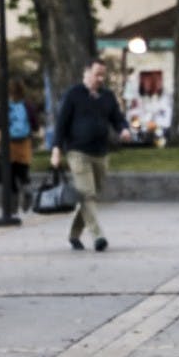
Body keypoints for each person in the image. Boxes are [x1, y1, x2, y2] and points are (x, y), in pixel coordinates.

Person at [51, 58, 131, 251]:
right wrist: (56, 150)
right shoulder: (73, 95)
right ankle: (98, 236)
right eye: (97, 74)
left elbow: (117, 118)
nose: (100, 78)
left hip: (100, 153)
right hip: (77, 152)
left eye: (103, 74)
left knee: (91, 196)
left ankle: (73, 234)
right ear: (86, 73)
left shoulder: (107, 96)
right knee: (87, 194)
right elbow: (61, 124)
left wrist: (124, 130)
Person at [0, 78, 40, 212]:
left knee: (10, 175)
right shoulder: (27, 105)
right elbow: (35, 126)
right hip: (24, 144)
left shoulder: (5, 106)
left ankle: (12, 206)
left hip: (9, 145)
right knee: (23, 173)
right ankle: (27, 191)